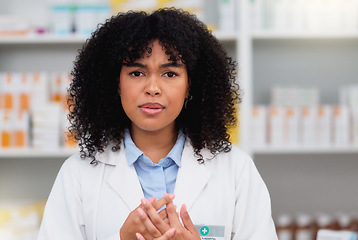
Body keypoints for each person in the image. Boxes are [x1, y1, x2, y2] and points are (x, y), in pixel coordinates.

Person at [38, 8, 278, 240]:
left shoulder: (236, 170)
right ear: (116, 84)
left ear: (190, 87)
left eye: (170, 74)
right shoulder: (78, 174)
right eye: (137, 73)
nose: (152, 88)